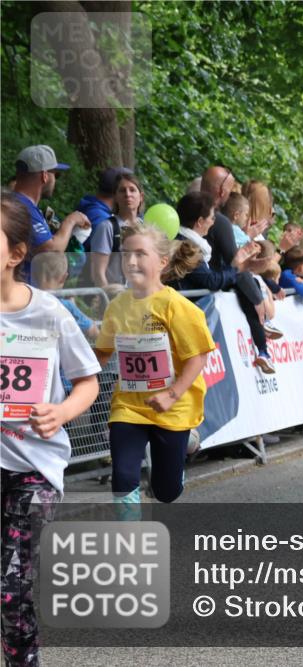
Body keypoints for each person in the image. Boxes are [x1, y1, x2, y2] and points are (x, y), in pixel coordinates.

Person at [1, 190, 101, 667]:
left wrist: (61, 413)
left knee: (11, 583)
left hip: (33, 469)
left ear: (16, 255)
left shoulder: (49, 313)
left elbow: (87, 380)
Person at [93, 224, 216, 516]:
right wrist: (70, 378)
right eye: (125, 255)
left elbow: (198, 357)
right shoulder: (118, 306)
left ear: (162, 262)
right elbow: (101, 353)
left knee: (166, 491)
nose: (131, 261)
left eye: (140, 254)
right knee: (123, 476)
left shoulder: (177, 306)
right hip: (129, 404)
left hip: (171, 406)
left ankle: (188, 444)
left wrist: (171, 395)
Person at [169, 192, 278, 373]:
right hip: (183, 321)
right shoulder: (186, 247)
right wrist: (235, 267)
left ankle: (263, 349)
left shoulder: (192, 243)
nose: (213, 223)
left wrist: (241, 265)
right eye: (211, 218)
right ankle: (263, 349)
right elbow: (210, 281)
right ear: (200, 222)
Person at [11, 146, 91, 277]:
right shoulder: (22, 207)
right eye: (56, 174)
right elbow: (50, 251)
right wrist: (70, 221)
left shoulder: (13, 202)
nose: (56, 180)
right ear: (44, 176)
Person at [85, 170, 144, 288]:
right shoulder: (107, 227)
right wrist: (108, 299)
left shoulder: (145, 227)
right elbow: (98, 273)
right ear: (115, 197)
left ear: (141, 197)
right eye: (122, 190)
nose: (128, 194)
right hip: (115, 297)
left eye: (132, 190)